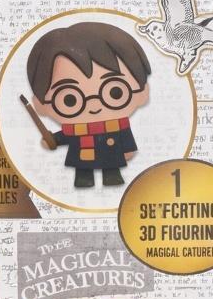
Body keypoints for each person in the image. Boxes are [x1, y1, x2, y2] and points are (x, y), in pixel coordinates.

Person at [27, 22, 151, 188]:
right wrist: (52, 140)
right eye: (70, 99)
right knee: (83, 172)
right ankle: (84, 179)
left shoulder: (117, 125)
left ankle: (111, 176)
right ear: (40, 105)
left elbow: (125, 136)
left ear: (142, 93)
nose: (94, 105)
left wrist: (128, 149)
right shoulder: (73, 129)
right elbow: (65, 136)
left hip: (111, 155)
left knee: (112, 170)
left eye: (115, 92)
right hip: (81, 158)